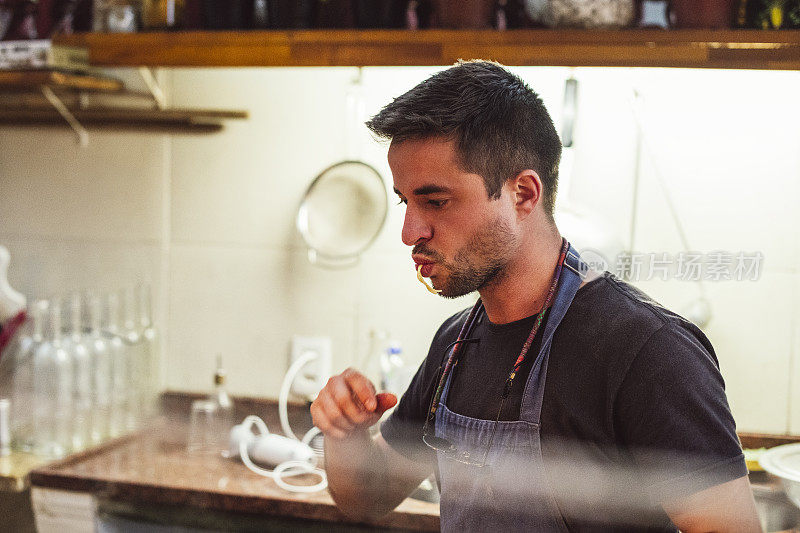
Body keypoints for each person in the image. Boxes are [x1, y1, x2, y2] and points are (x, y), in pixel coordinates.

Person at [310, 60, 761, 532]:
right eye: (406, 202)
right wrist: (344, 433)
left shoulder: (646, 351)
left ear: (523, 193)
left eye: (436, 202)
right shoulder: (456, 345)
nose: (409, 232)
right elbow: (366, 496)